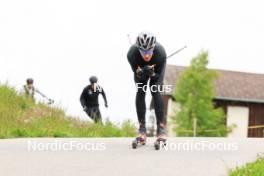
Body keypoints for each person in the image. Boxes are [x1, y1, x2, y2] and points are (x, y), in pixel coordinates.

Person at [127, 31, 167, 142]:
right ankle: (142, 128)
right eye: (143, 51)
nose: (147, 55)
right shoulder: (131, 54)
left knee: (155, 90)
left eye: (149, 50)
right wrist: (141, 74)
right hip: (141, 71)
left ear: (153, 47)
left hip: (156, 70)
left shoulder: (160, 53)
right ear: (138, 48)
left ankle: (160, 128)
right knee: (140, 90)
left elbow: (156, 77)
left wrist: (152, 74)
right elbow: (138, 76)